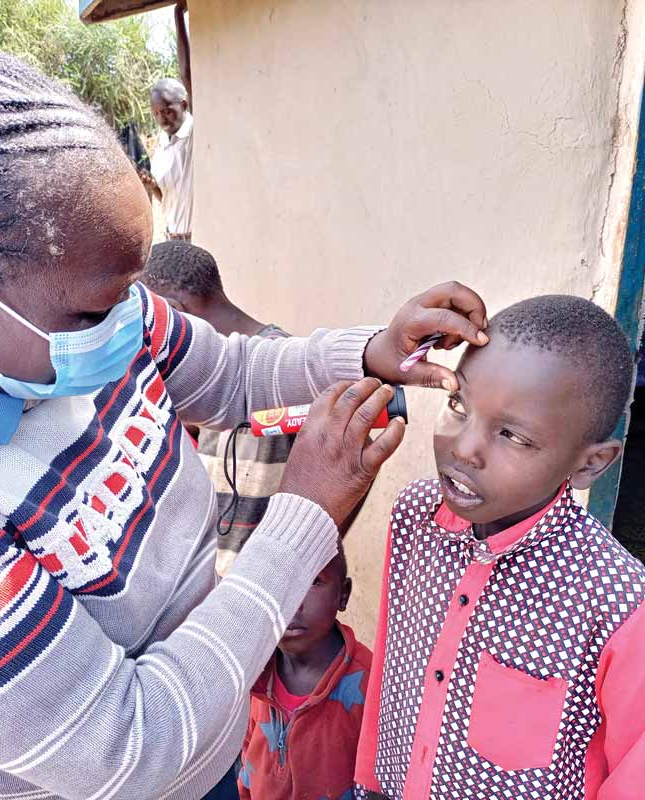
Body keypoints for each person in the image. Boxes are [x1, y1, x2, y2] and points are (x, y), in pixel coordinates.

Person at [0, 44, 488, 800]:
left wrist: (373, 352)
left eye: (132, 288)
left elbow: (228, 373)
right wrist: (306, 514)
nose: (133, 318)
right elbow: (128, 749)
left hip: (206, 737)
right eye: (98, 309)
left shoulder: (73, 309)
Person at [353, 295, 645, 800]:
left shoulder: (616, 602)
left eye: (511, 434)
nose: (464, 447)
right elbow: (390, 672)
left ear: (590, 465)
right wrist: (373, 779)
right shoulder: (417, 516)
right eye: (459, 405)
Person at [143, 241, 292, 573]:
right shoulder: (201, 376)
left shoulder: (282, 369)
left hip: (266, 582)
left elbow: (354, 458)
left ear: (173, 311)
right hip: (217, 584)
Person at [238, 542, 371, 800]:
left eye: (313, 582)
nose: (293, 602)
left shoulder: (372, 684)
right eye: (275, 583)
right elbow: (247, 758)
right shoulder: (253, 673)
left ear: (343, 594)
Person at [140, 2, 194, 241]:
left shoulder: (195, 134)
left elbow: (188, 72)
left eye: (168, 111)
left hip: (198, 238)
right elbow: (169, 197)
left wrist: (178, 16)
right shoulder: (161, 146)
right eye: (157, 113)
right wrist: (153, 187)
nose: (162, 118)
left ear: (183, 104)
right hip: (173, 238)